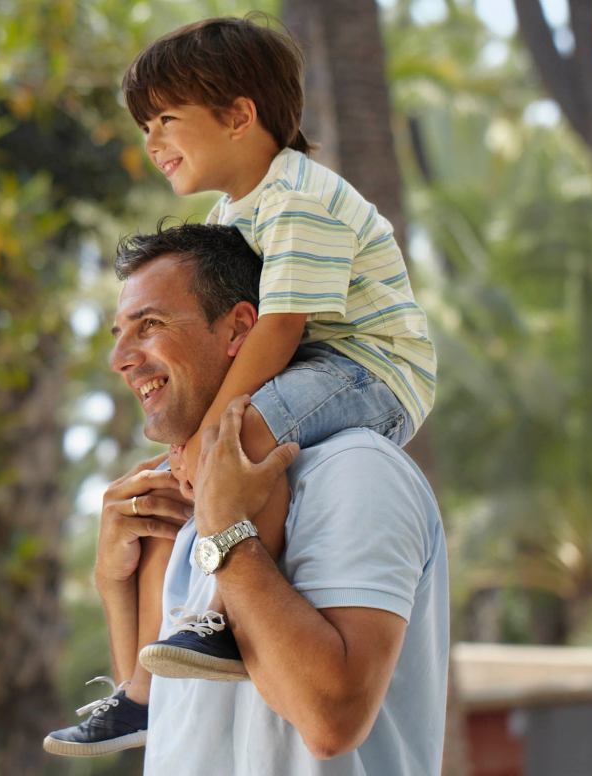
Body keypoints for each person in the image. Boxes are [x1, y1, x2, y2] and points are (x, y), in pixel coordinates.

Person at [44, 223, 449, 775]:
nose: (120, 358)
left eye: (150, 326)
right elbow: (167, 713)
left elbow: (331, 721)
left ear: (239, 327)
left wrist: (227, 534)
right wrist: (115, 582)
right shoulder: (196, 501)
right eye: (119, 333)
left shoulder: (354, 470)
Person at [120, 13, 437, 702]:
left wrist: (212, 429)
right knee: (184, 466)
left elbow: (279, 328)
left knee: (241, 437)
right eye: (145, 127)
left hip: (371, 367)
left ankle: (223, 615)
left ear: (239, 115)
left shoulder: (300, 197)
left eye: (167, 120)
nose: (152, 141)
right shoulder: (235, 216)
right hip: (317, 366)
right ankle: (136, 693)